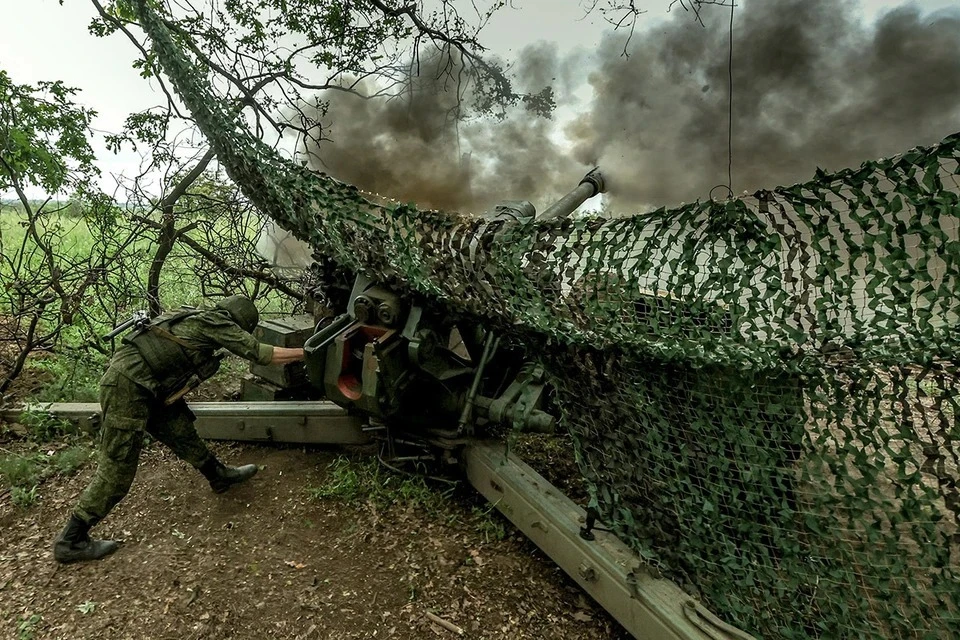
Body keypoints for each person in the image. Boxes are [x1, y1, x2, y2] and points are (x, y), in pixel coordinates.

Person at [52, 295, 305, 564]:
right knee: (118, 468)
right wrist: (305, 353)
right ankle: (71, 539)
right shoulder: (217, 324)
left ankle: (218, 476)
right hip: (129, 389)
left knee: (180, 431)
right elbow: (261, 353)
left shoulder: (197, 315)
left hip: (149, 386)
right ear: (240, 323)